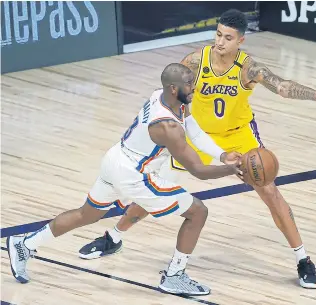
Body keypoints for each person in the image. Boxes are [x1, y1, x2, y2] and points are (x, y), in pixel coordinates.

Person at [78, 9, 316, 289]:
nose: (220, 42)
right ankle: (114, 237)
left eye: (227, 38)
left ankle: (303, 259)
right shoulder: (195, 61)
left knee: (270, 191)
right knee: (158, 187)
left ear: (240, 41)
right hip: (198, 135)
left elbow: (281, 86)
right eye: (218, 34)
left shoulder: (248, 68)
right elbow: (172, 95)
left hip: (238, 135)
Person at [6, 63, 244, 296]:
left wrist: (222, 155)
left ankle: (24, 244)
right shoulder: (168, 127)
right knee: (197, 212)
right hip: (133, 174)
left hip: (115, 159)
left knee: (86, 214)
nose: (194, 88)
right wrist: (233, 170)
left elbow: (192, 127)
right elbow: (198, 170)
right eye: (189, 84)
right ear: (173, 88)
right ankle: (174, 276)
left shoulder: (162, 97)